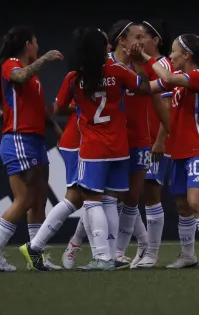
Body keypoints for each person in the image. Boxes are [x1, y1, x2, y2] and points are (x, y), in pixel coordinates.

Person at [20, 28, 152, 271]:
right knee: (108, 200)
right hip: (119, 147)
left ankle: (100, 257)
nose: (110, 48)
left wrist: (81, 106)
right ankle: (107, 256)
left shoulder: (74, 78)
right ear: (99, 49)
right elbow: (143, 86)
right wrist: (138, 63)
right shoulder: (119, 71)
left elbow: (58, 107)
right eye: (106, 45)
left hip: (92, 147)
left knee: (90, 201)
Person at [143, 34, 199, 268]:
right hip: (178, 151)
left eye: (173, 51)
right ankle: (188, 255)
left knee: (196, 201)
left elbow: (164, 76)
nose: (170, 56)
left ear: (186, 55)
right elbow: (147, 87)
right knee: (182, 205)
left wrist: (145, 57)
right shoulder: (177, 82)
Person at [0, 26, 63, 271]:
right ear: (28, 44)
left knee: (38, 201)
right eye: (36, 42)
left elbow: (38, 112)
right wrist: (46, 58)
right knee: (24, 198)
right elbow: (18, 76)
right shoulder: (11, 64)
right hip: (18, 139)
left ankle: (37, 256)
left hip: (36, 141)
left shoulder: (34, 79)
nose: (38, 47)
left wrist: (58, 133)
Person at [61, 28, 112, 269]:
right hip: (80, 142)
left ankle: (90, 250)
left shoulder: (95, 72)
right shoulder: (82, 76)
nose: (109, 48)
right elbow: (59, 106)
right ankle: (38, 246)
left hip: (95, 142)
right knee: (80, 198)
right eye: (106, 45)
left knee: (97, 199)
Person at [132, 19, 174, 268]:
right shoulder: (141, 65)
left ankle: (152, 253)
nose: (138, 42)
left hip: (155, 141)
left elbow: (166, 107)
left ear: (155, 40)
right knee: (132, 194)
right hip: (140, 140)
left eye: (142, 37)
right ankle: (144, 246)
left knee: (151, 193)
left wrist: (160, 140)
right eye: (135, 37)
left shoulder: (163, 65)